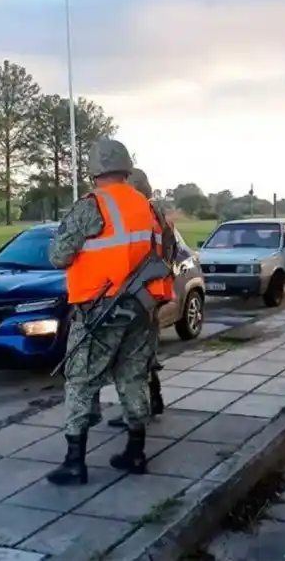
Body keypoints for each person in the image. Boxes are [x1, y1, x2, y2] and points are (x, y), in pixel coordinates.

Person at [46, 139, 173, 485]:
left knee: (81, 381)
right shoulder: (151, 209)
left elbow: (58, 256)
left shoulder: (91, 206)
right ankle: (136, 453)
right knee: (134, 377)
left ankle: (75, 463)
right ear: (126, 167)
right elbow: (168, 253)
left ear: (94, 170)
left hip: (99, 309)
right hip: (143, 308)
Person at [106, 167, 175, 429]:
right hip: (154, 292)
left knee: (131, 358)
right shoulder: (157, 215)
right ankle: (153, 401)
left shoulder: (141, 215)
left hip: (141, 293)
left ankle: (135, 413)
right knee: (145, 353)